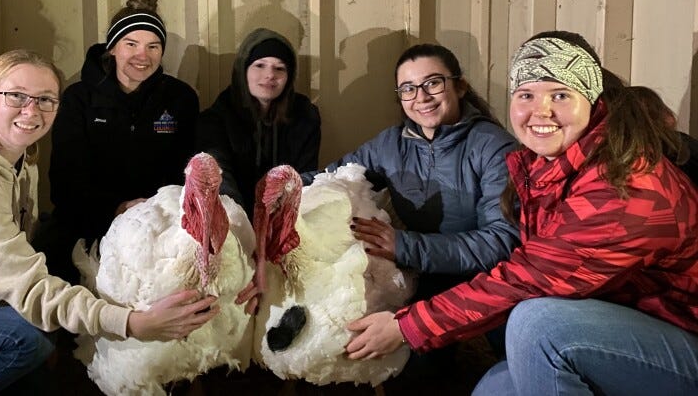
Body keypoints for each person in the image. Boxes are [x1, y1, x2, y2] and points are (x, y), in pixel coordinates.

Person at [345, 32, 698, 396]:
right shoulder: (543, 160)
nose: (540, 112)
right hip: (605, 312)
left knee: (535, 323)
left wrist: (407, 321)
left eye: (560, 95)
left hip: (677, 330)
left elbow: (523, 271)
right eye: (526, 95)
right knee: (493, 389)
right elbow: (338, 171)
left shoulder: (625, 185)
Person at [0, 50, 217, 394]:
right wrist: (133, 323)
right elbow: (31, 291)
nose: (32, 111)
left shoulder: (22, 160)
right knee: (31, 335)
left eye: (46, 99)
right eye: (16, 96)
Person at [309, 43, 519, 305]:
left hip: (485, 284)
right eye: (408, 89)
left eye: (433, 83)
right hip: (421, 274)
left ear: (460, 86)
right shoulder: (391, 145)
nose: (421, 97)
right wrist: (280, 184)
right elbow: (333, 177)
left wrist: (406, 247)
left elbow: (501, 240)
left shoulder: (493, 147)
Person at [44, 0, 199, 281]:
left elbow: (188, 171)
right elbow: (64, 182)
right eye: (131, 44)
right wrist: (117, 208)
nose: (143, 56)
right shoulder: (79, 99)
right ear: (112, 48)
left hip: (160, 225)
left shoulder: (180, 98)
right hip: (89, 224)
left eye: (153, 46)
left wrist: (156, 211)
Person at [197, 28, 321, 217]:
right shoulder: (215, 119)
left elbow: (304, 178)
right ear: (243, 70)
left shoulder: (305, 115)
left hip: (285, 221)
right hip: (235, 221)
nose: (270, 75)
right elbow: (221, 180)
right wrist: (243, 230)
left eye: (279, 68)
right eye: (260, 65)